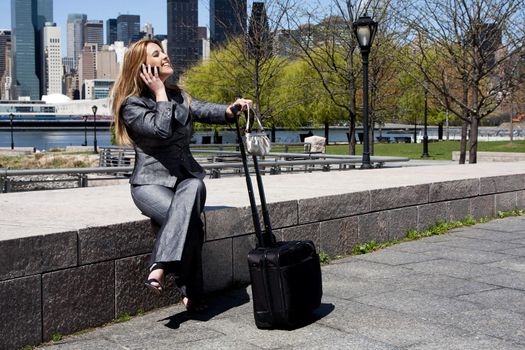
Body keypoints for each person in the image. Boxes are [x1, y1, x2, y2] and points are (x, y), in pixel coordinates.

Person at [111, 38, 251, 311]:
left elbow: (204, 109)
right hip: (150, 185)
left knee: (194, 186)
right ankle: (192, 290)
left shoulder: (179, 96)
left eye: (163, 51)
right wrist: (159, 93)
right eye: (156, 54)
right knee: (193, 225)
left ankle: (160, 264)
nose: (165, 56)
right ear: (142, 67)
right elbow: (161, 129)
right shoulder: (132, 106)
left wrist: (230, 110)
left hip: (185, 180)